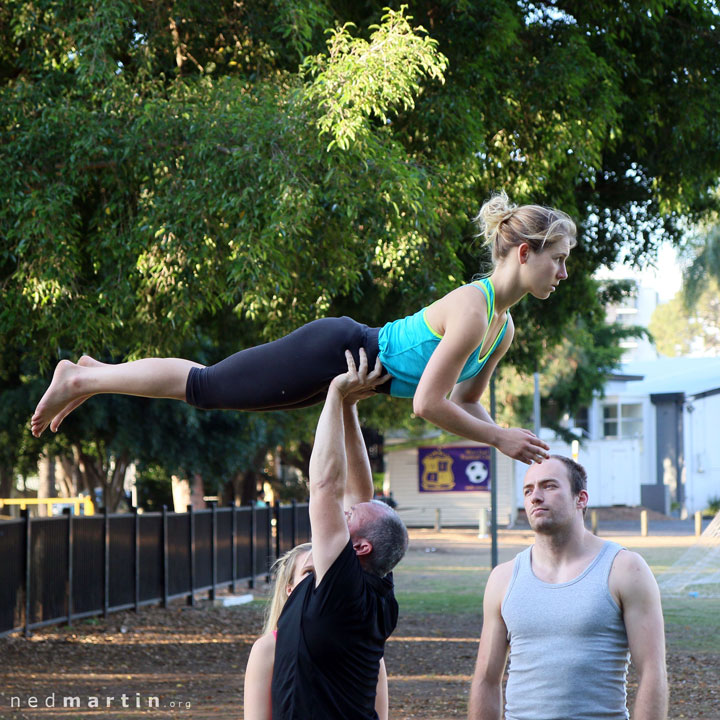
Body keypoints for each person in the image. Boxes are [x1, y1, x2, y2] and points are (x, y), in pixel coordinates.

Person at [30, 192, 576, 464]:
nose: (563, 272)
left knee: (211, 390)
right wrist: (498, 438)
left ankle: (95, 373)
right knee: (207, 386)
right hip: (336, 350)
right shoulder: (473, 308)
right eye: (559, 258)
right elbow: (427, 406)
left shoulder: (501, 329)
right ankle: (80, 380)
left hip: (348, 376)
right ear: (524, 253)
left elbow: (465, 400)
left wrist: (508, 435)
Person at [468, 455, 668, 720]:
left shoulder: (625, 569)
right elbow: (486, 680)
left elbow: (653, 674)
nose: (535, 497)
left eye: (549, 486)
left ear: (581, 498)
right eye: (528, 490)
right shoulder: (503, 578)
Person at [270, 349, 408, 719]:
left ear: (361, 546)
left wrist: (334, 393)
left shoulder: (347, 590)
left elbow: (326, 486)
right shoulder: (376, 585)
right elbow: (362, 496)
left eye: (350, 517)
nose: (343, 511)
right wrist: (349, 408)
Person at [243, 543, 389, 720]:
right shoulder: (267, 648)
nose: (320, 581)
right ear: (290, 589)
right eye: (309, 572)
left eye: (326, 572)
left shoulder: (365, 646)